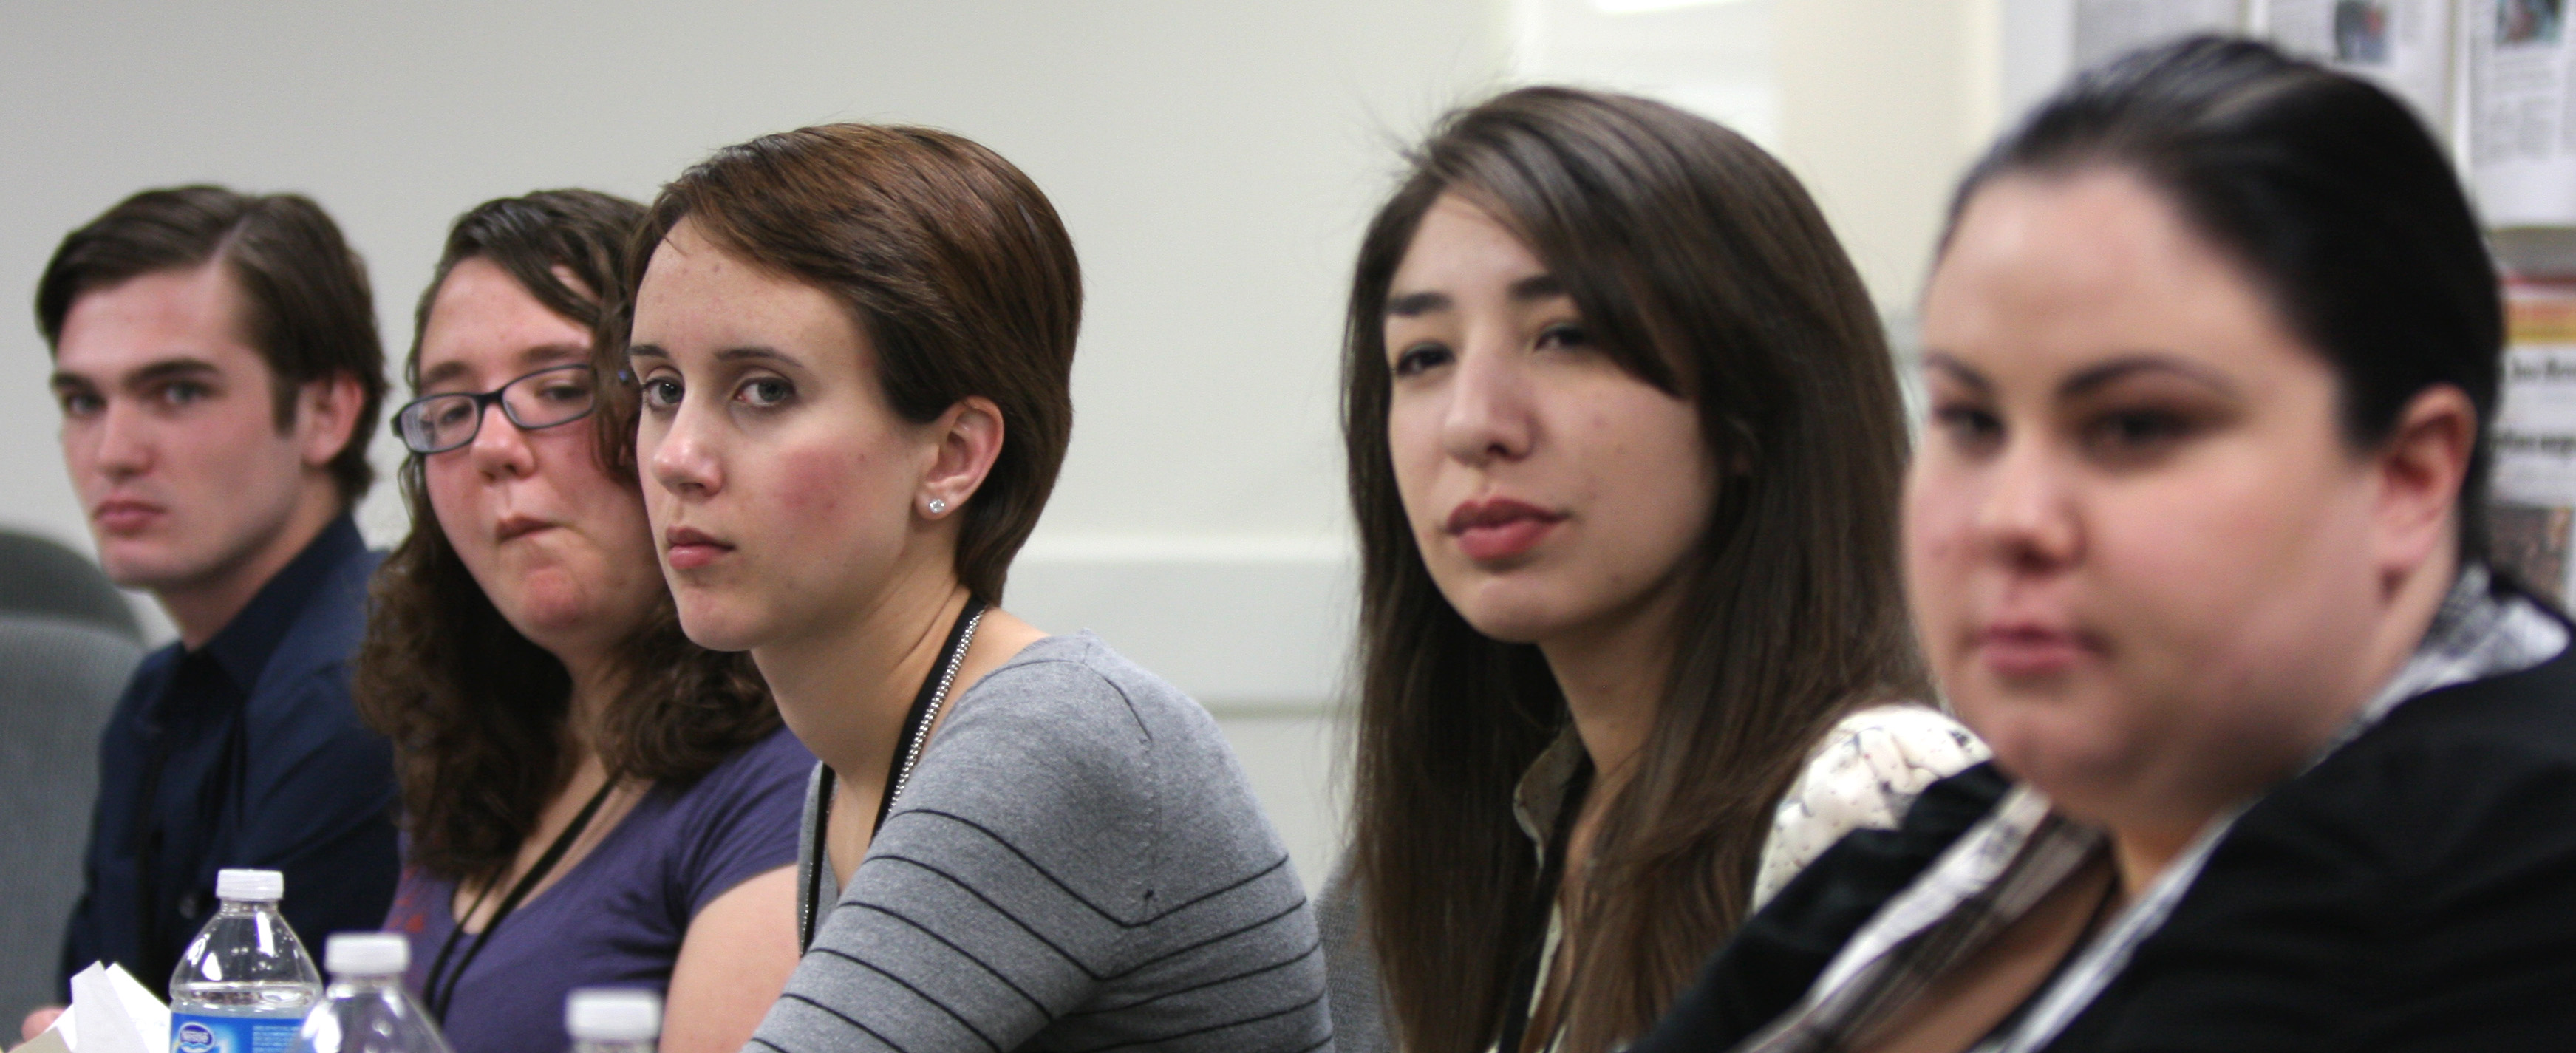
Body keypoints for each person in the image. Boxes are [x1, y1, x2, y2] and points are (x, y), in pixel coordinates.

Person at [1629, 36, 2576, 1053]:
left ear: (2407, 475)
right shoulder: (2037, 810)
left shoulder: (2507, 875)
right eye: (1970, 422)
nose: (2009, 518)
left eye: (2134, 427)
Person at [617, 123, 1330, 1052]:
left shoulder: (1052, 739)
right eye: (661, 388)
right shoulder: (856, 759)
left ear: (952, 455)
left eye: (763, 391)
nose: (677, 458)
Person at [1318, 86, 1986, 1053]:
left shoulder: (1869, 796)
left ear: (1749, 407)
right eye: (1422, 356)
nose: (1472, 422)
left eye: (1563, 336)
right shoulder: (1515, 820)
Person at [355, 191, 809, 1053]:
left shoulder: (789, 772)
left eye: (559, 388)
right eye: (451, 410)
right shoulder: (478, 744)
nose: (493, 448)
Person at [27, 186, 397, 1035]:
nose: (113, 453)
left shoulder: (367, 685)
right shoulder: (156, 695)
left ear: (326, 413)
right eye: (84, 402)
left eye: (178, 393)